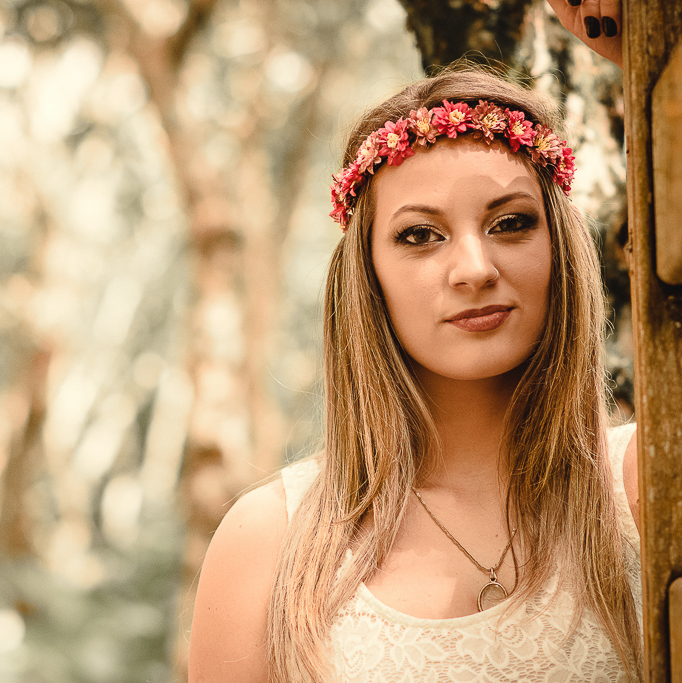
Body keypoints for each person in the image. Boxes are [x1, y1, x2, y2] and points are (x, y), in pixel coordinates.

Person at [188, 2, 640, 682]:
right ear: (368, 277)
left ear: (561, 251)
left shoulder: (645, 486)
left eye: (511, 223)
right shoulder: (269, 544)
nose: (475, 269)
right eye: (419, 235)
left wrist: (653, 65)